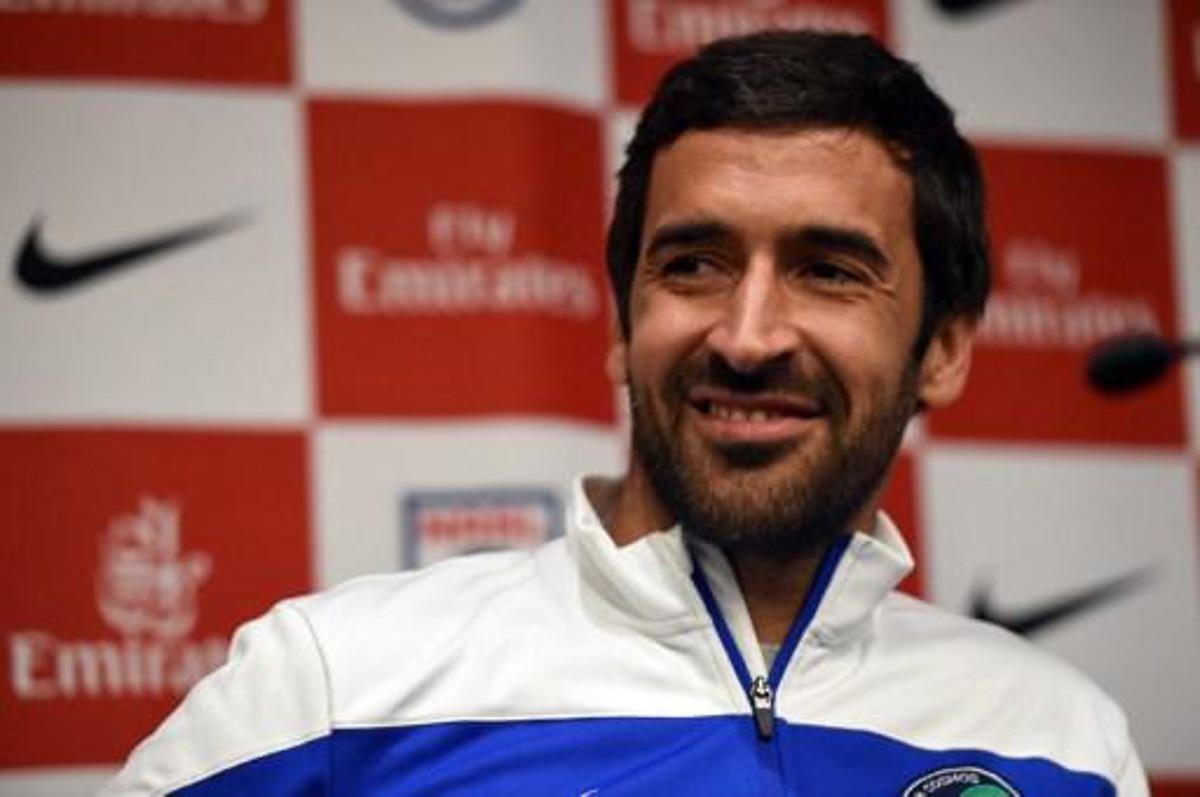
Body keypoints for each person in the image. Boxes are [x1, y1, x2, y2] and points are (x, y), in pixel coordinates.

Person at [104, 30, 1147, 796]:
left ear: (945, 348)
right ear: (620, 320)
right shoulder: (338, 687)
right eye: (692, 263)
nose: (746, 337)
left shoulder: (1062, 738)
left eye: (829, 271)